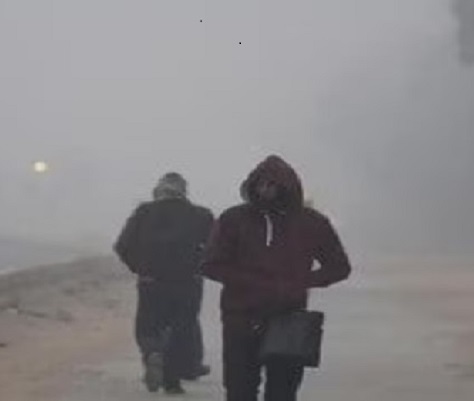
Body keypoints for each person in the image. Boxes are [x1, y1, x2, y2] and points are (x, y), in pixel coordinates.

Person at [202, 155, 351, 401]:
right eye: (261, 184)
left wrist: (300, 281)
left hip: (289, 319)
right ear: (252, 185)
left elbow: (339, 267)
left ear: (288, 187)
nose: (266, 190)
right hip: (241, 318)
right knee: (239, 391)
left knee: (283, 393)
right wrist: (251, 282)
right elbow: (211, 264)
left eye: (273, 185)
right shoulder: (234, 219)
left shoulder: (311, 222)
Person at [114, 172, 215, 394]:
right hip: (188, 283)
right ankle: (172, 382)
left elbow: (122, 246)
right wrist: (200, 268)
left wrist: (140, 268)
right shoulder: (201, 215)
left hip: (152, 281)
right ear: (184, 192)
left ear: (159, 191)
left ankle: (152, 353)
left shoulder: (144, 212)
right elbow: (216, 249)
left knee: (149, 325)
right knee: (182, 328)